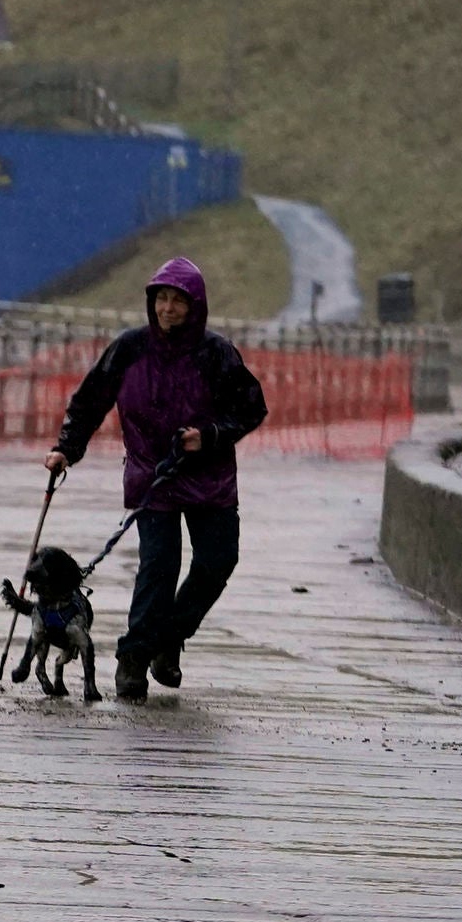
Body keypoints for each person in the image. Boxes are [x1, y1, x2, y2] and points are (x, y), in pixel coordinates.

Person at [45, 253, 269, 701]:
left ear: (195, 305)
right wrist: (67, 448)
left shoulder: (217, 353)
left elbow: (250, 408)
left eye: (178, 301)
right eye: (161, 299)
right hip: (153, 477)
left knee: (217, 561)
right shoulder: (130, 348)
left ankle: (168, 638)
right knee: (159, 566)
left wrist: (209, 435)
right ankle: (133, 658)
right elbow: (91, 400)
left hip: (210, 478)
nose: (168, 308)